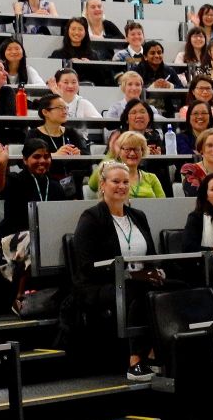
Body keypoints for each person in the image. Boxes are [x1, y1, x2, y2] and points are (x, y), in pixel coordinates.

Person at [71, 161, 172, 382]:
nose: (122, 186)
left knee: (178, 287)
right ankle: (135, 361)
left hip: (139, 280)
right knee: (136, 293)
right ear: (103, 185)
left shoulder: (138, 215)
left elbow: (151, 255)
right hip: (100, 284)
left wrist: (156, 272)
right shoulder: (91, 218)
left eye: (126, 182)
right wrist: (132, 276)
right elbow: (87, 266)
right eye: (116, 181)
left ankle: (155, 354)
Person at [0, 139, 73, 299]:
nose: (42, 161)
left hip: (45, 241)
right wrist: (2, 165)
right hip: (12, 242)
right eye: (36, 156)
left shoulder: (55, 186)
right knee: (33, 241)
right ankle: (20, 296)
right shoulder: (16, 179)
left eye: (46, 156)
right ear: (25, 160)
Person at [87, 130, 165, 198]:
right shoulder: (110, 176)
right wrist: (112, 154)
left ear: (142, 151)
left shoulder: (152, 178)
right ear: (119, 151)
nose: (132, 153)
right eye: (127, 149)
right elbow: (92, 185)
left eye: (136, 149)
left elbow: (163, 204)